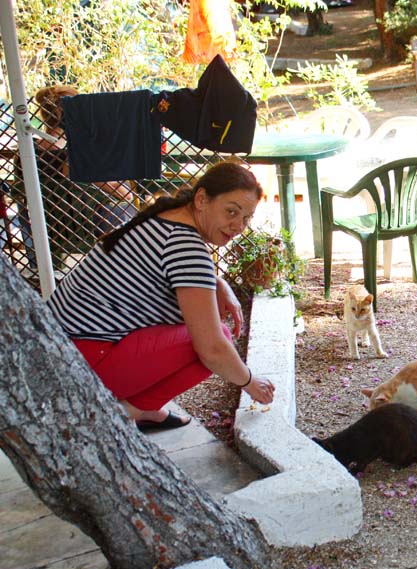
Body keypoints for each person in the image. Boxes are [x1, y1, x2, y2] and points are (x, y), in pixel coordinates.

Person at [48, 161, 275, 430]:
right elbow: (212, 349)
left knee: (205, 331)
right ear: (202, 200)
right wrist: (250, 382)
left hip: (58, 353)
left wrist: (217, 282)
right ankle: (120, 413)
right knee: (217, 341)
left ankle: (142, 409)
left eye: (247, 218)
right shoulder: (186, 247)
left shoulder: (165, 217)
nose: (238, 225)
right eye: (231, 211)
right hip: (80, 368)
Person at [13, 85, 137, 274]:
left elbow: (20, 195)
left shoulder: (24, 155)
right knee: (124, 204)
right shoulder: (79, 153)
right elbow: (125, 195)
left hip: (45, 231)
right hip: (89, 231)